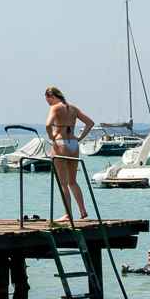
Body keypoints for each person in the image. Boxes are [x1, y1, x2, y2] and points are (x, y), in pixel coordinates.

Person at [44, 86, 94, 221]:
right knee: (73, 181)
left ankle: (68, 214)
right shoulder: (73, 108)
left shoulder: (55, 107)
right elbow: (90, 123)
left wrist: (52, 136)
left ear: (51, 96)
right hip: (73, 144)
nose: (48, 103)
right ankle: (83, 210)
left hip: (60, 143)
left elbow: (48, 124)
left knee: (63, 183)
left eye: (47, 100)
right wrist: (80, 137)